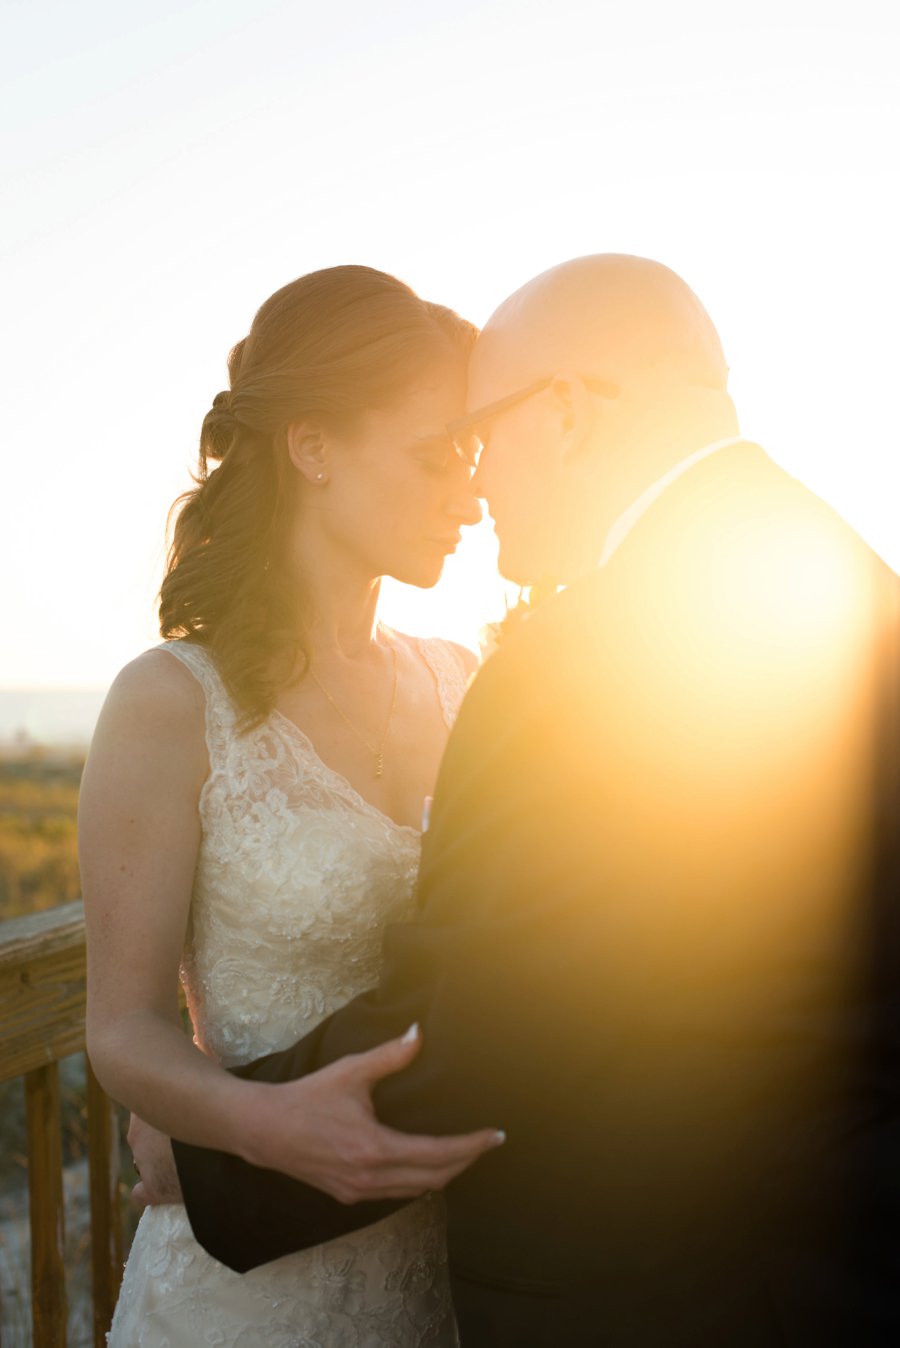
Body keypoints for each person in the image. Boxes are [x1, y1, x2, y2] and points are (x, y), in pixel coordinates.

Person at [144, 254, 900, 1347]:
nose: (476, 480)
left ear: (565, 413)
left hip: (670, 1290)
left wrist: (213, 1145)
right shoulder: (843, 581)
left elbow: (491, 1025)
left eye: (481, 435)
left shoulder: (585, 657)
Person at [79, 264, 506, 1348]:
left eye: (469, 459)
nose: (469, 494)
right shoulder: (172, 702)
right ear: (312, 446)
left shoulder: (466, 682)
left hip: (448, 1276)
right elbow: (124, 1029)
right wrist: (253, 1125)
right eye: (432, 457)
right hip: (248, 1291)